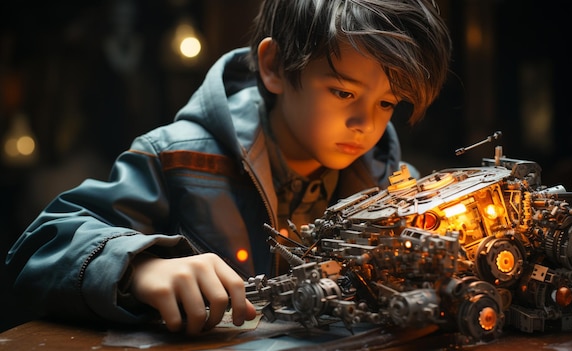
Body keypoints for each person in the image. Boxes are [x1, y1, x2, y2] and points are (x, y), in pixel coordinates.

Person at [5, 0, 452, 336]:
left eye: (388, 103)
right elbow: (38, 251)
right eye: (342, 92)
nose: (366, 123)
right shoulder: (177, 157)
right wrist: (139, 269)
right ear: (275, 66)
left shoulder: (398, 189)